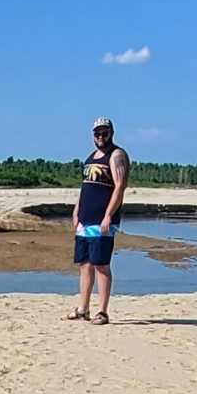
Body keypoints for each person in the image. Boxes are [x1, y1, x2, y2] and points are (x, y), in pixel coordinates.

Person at [71, 116, 129, 323]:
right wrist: (77, 210)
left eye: (104, 133)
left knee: (101, 264)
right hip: (85, 220)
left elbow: (120, 187)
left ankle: (102, 311)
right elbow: (85, 187)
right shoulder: (90, 157)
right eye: (97, 133)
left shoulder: (117, 155)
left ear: (111, 133)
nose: (100, 137)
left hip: (102, 221)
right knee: (85, 264)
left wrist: (108, 215)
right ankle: (82, 308)